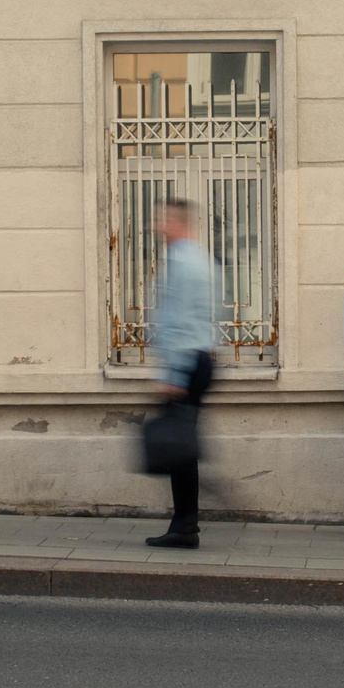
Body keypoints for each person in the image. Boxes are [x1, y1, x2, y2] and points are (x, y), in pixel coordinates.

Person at [144, 197, 218, 550]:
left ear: (177, 222)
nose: (158, 226)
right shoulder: (202, 259)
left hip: (186, 361)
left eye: (163, 220)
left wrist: (172, 373)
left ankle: (185, 526)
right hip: (200, 357)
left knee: (179, 446)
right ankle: (184, 523)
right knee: (181, 443)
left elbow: (179, 320)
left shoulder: (182, 261)